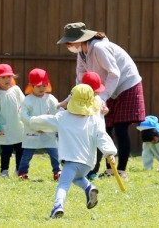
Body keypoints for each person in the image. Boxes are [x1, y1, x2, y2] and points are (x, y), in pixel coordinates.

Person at [57, 22, 145, 178]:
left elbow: (114, 74)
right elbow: (81, 81)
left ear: (80, 39)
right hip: (107, 89)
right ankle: (110, 170)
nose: (68, 46)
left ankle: (121, 170)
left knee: (120, 128)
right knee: (105, 128)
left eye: (69, 42)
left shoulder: (99, 48)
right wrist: (68, 100)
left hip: (127, 84)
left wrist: (103, 97)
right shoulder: (81, 54)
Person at [30, 84, 117, 219]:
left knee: (63, 185)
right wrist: (110, 153)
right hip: (87, 164)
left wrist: (31, 120)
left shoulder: (63, 117)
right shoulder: (94, 120)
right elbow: (102, 137)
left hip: (71, 161)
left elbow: (45, 121)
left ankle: (58, 206)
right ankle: (89, 188)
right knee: (76, 177)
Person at [18, 68, 61, 181]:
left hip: (49, 132)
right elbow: (23, 115)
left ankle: (57, 171)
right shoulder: (28, 100)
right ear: (31, 86)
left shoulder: (51, 99)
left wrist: (51, 127)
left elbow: (58, 113)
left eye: (44, 85)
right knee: (27, 153)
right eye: (38, 86)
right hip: (32, 132)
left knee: (54, 153)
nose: (42, 88)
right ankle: (22, 172)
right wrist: (36, 126)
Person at [0, 64, 25, 178]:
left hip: (18, 127)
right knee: (6, 151)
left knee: (20, 150)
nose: (7, 80)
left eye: (9, 76)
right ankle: (4, 171)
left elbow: (24, 104)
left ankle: (19, 170)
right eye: (3, 77)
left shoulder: (16, 90)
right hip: (4, 129)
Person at [81, 71, 109, 180]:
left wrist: (105, 110)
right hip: (85, 131)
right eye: (95, 91)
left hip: (98, 130)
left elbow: (104, 109)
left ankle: (93, 172)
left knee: (98, 152)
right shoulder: (80, 99)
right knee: (84, 152)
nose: (97, 92)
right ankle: (83, 172)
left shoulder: (98, 98)